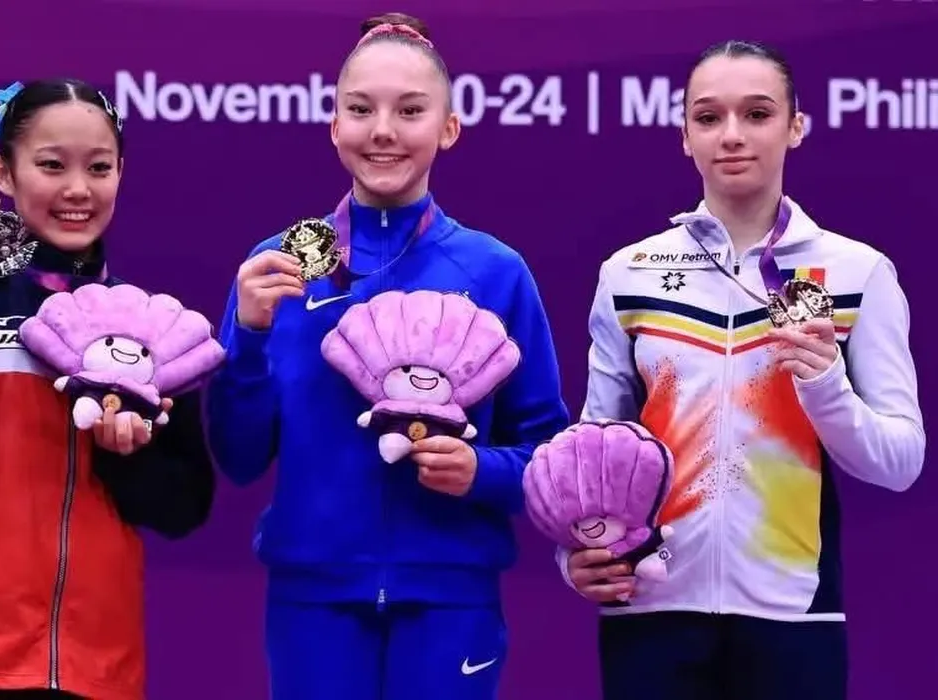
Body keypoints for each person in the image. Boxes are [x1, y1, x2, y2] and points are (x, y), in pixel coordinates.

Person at [206, 12, 569, 700]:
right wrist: (247, 339)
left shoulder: (495, 271)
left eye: (409, 110)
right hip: (312, 598)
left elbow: (548, 455)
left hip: (450, 597)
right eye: (360, 109)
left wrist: (480, 471)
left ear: (448, 127)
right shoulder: (276, 267)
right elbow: (239, 456)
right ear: (332, 124)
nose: (382, 130)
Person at [559, 40, 926, 700]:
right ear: (684, 136)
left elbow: (898, 462)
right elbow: (595, 454)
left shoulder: (857, 273)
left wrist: (825, 386)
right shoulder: (630, 273)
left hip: (794, 615)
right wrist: (574, 554)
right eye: (708, 117)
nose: (731, 135)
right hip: (650, 607)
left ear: (795, 126)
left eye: (757, 114)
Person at [0, 79, 216, 700]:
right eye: (51, 165)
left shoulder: (150, 329)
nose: (77, 189)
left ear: (121, 173)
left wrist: (128, 456)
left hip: (98, 672)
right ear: (3, 172)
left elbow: (183, 509)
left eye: (99, 168)